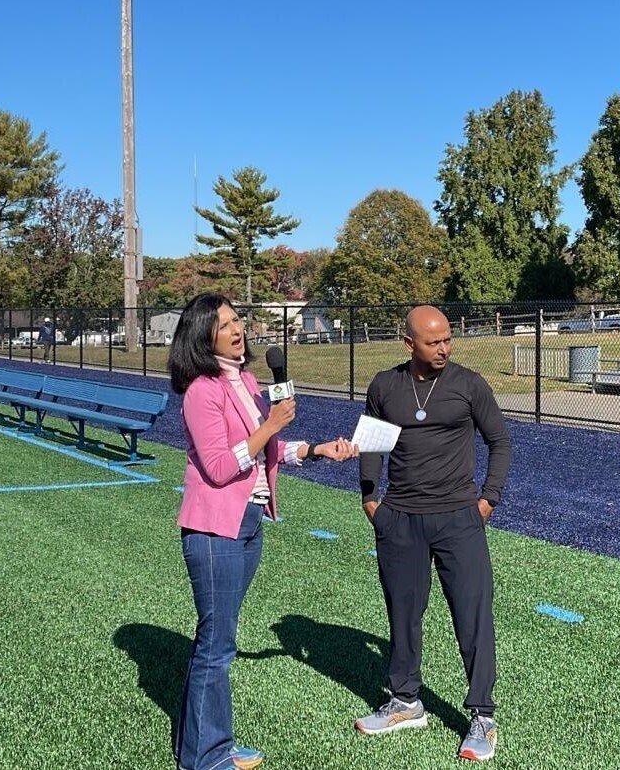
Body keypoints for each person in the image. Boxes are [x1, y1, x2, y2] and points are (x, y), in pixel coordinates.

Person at [168, 293, 356, 770]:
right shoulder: (201, 391)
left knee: (220, 637)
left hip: (249, 523)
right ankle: (204, 756)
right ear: (202, 335)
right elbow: (217, 465)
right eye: (226, 323)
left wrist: (314, 450)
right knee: (217, 641)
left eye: (237, 320)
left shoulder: (247, 380)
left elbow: (265, 452)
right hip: (215, 529)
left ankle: (214, 743)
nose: (238, 329)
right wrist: (270, 423)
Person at [355, 305, 512, 762]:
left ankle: (482, 714)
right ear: (409, 343)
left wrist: (487, 500)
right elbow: (371, 445)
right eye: (433, 341)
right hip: (400, 519)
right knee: (403, 613)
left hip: (460, 518)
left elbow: (499, 442)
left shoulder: (468, 385)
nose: (443, 348)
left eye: (447, 339)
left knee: (472, 616)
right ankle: (405, 701)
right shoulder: (385, 385)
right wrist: (370, 500)